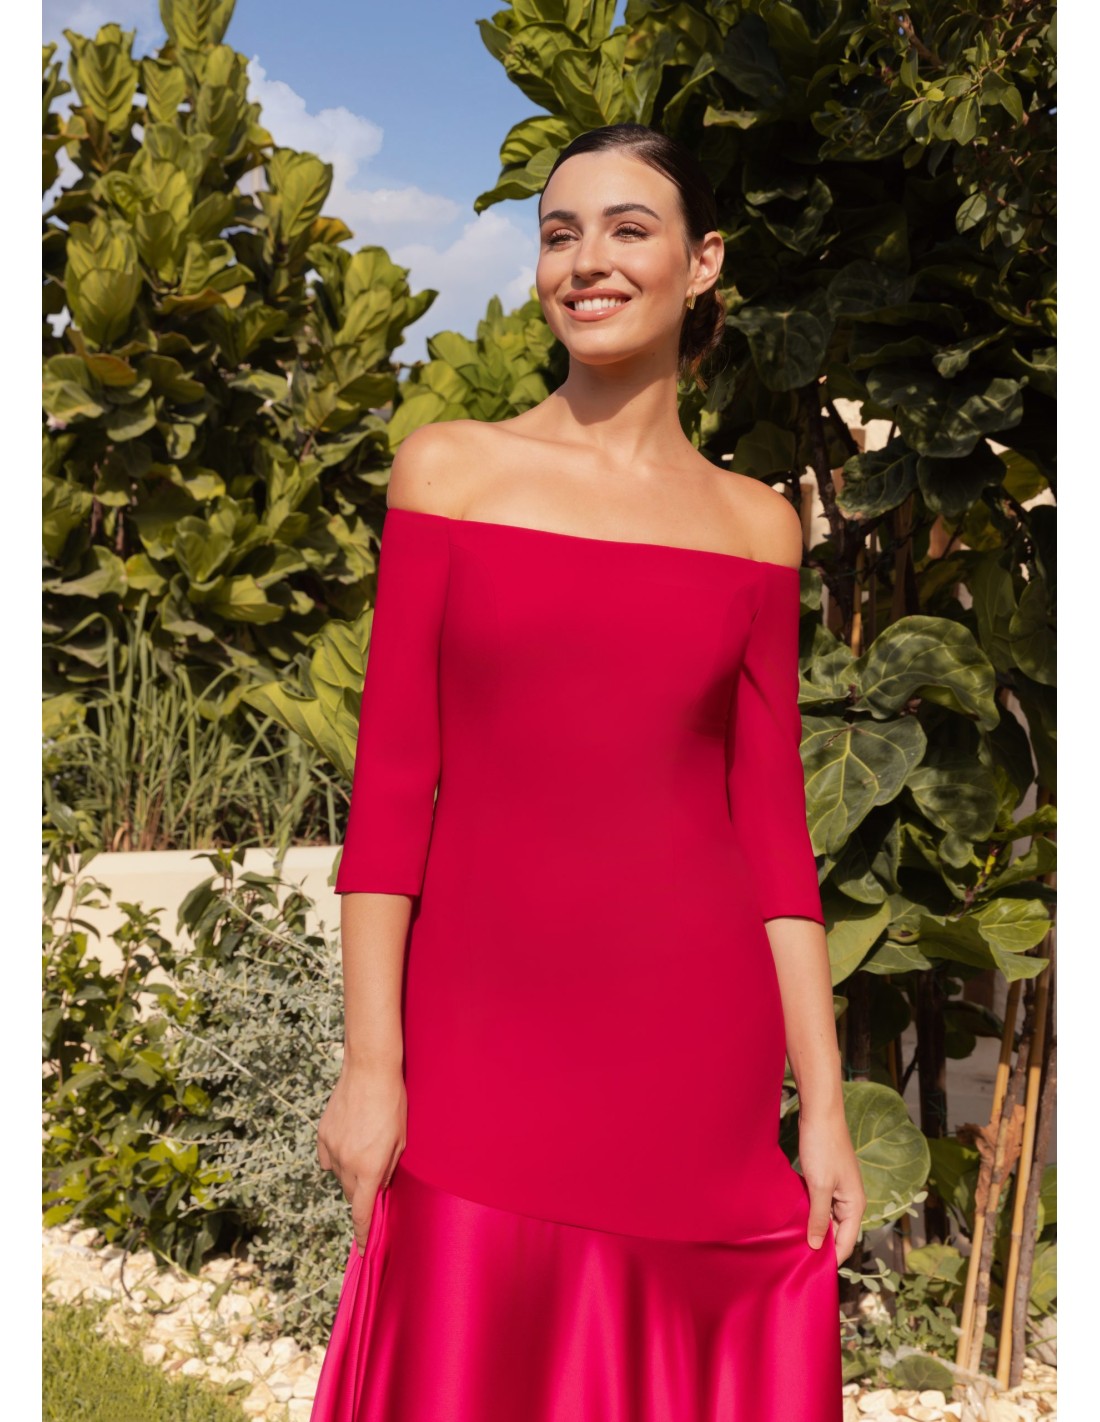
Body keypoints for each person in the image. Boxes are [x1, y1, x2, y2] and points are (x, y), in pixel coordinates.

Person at [310, 121, 865, 1422]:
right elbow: (390, 798)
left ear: (703, 262)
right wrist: (371, 1063)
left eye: (628, 229)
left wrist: (825, 1109)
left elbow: (772, 835)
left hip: (695, 1050)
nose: (587, 261)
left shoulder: (758, 525)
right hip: (481, 1037)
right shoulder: (452, 469)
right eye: (561, 234)